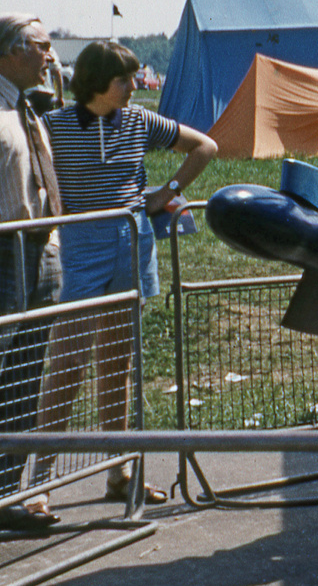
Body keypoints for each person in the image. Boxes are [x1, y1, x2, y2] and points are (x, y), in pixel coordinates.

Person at [27, 41, 217, 515]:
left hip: (130, 245)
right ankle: (38, 486)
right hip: (79, 245)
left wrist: (166, 193)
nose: (134, 86)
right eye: (124, 80)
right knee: (67, 364)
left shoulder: (139, 121)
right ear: (96, 83)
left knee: (118, 363)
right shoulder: (53, 126)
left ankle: (121, 471)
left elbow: (205, 147)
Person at [0, 13, 63, 530]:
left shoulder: (27, 108)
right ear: (8, 51)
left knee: (24, 374)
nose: (50, 55)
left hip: (39, 250)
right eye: (41, 46)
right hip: (5, 254)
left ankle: (4, 496)